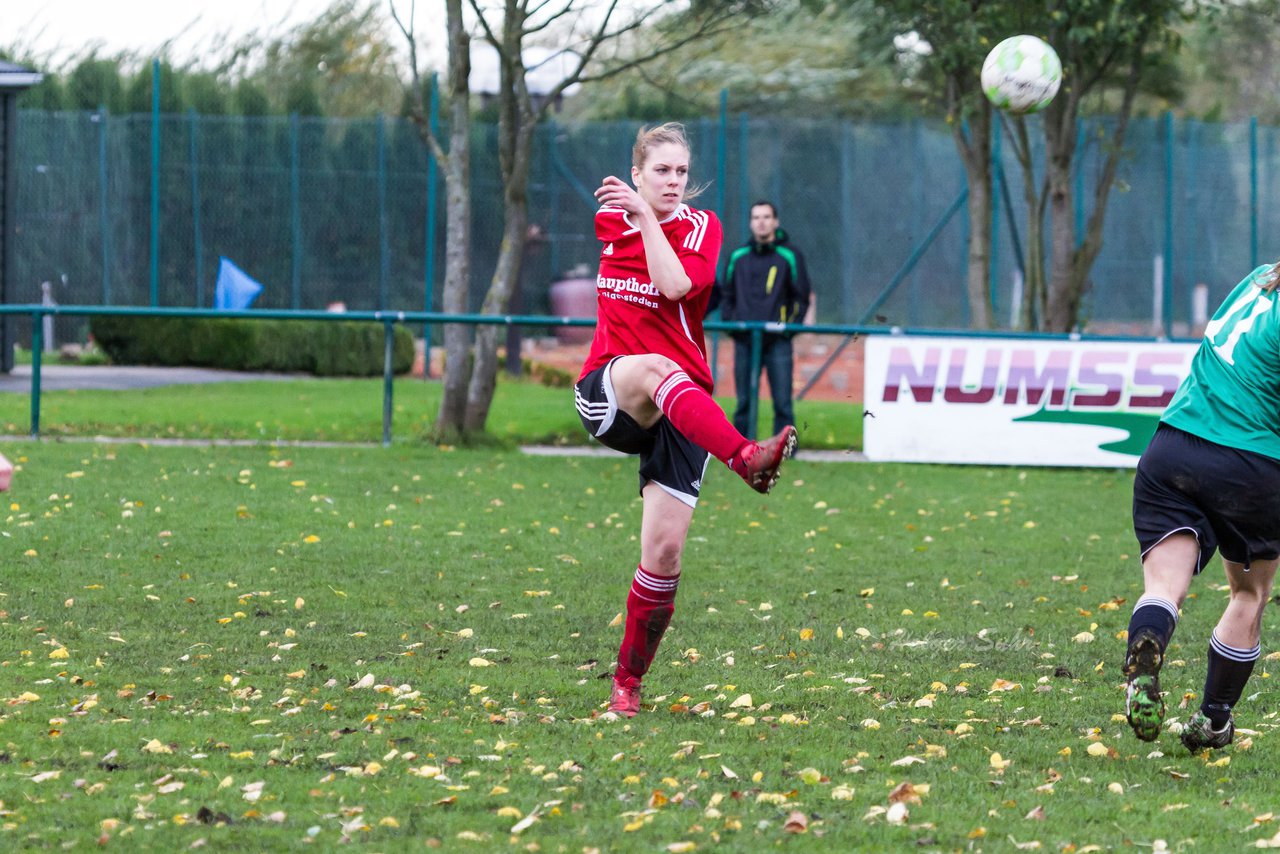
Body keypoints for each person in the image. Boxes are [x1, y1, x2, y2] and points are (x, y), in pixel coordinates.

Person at [574, 123, 797, 718]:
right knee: (651, 367)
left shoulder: (704, 228)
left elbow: (674, 286)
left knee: (665, 553)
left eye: (680, 172)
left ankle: (627, 682)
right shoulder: (611, 220)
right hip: (611, 389)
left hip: (683, 404)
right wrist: (640, 216)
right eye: (661, 171)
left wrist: (647, 218)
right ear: (638, 172)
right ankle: (745, 456)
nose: (673, 182)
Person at [1123, 260, 1280, 751]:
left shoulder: (1260, 278)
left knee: (1164, 586)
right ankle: (1212, 721)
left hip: (1172, 448)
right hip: (1249, 464)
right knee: (1248, 595)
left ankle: (1144, 660)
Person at [719, 201, 811, 438]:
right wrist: (734, 327)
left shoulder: (790, 256)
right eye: (756, 217)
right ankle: (739, 450)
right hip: (745, 341)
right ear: (750, 222)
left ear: (775, 221)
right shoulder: (738, 257)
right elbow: (726, 295)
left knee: (782, 402)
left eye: (766, 217)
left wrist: (787, 329)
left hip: (778, 342)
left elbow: (801, 297)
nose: (761, 221)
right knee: (743, 401)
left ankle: (785, 450)